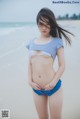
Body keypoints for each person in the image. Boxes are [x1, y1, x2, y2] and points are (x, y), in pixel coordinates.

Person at [26, 8, 73, 119]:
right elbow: (30, 64)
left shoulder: (56, 42)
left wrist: (53, 82)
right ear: (37, 24)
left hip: (53, 88)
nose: (43, 27)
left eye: (47, 24)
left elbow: (62, 65)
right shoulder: (31, 42)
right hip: (36, 88)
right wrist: (29, 81)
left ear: (51, 24)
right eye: (41, 24)